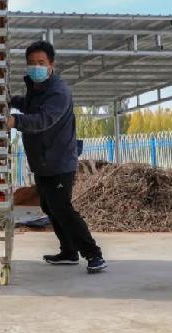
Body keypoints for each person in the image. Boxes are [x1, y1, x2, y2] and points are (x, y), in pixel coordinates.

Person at [7, 41, 106, 273]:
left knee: (62, 207)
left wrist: (15, 120)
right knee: (49, 205)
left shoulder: (58, 91)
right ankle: (69, 251)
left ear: (51, 64)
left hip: (59, 161)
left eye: (41, 63)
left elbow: (44, 119)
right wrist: (12, 100)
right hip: (42, 161)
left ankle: (94, 254)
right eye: (32, 63)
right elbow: (29, 105)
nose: (36, 67)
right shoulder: (36, 89)